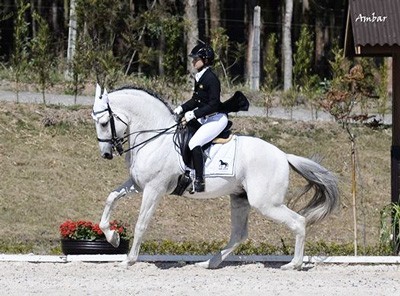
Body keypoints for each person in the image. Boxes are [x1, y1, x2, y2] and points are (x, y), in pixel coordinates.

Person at [173, 44, 228, 193]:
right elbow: (196, 100)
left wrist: (194, 114)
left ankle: (199, 180)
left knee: (194, 142)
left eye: (196, 58)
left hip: (216, 118)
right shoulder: (200, 77)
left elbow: (214, 105)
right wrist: (182, 108)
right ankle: (186, 169)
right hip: (205, 118)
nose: (193, 61)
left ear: (205, 59)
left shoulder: (212, 79)